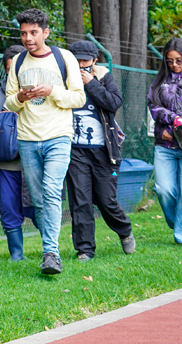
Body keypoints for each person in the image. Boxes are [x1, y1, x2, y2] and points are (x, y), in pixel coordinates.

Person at [4, 9, 85, 275]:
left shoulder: (65, 58)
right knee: (39, 198)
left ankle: (51, 253)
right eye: (24, 33)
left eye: (33, 32)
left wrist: (51, 91)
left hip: (58, 136)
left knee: (51, 190)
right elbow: (9, 102)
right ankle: (49, 247)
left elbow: (79, 98)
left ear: (45, 32)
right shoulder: (17, 62)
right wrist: (23, 98)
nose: (28, 38)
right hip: (27, 140)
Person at [66, 41, 135, 261]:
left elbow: (114, 103)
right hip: (76, 150)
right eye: (76, 61)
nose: (80, 65)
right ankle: (85, 249)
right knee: (81, 200)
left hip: (104, 151)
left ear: (94, 61)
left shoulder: (104, 77)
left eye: (85, 61)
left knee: (106, 200)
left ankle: (124, 231)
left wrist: (92, 84)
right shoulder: (64, 80)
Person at [0, 44, 38, 261]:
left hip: (32, 162)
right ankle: (16, 254)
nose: (14, 72)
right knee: (8, 208)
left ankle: (51, 250)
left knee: (39, 207)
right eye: (10, 68)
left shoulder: (39, 90)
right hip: (4, 166)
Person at [148, 38, 182, 244]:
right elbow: (153, 106)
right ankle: (176, 222)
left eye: (179, 60)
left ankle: (180, 235)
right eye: (170, 61)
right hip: (165, 146)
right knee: (164, 189)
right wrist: (171, 124)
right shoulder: (159, 81)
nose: (174, 65)